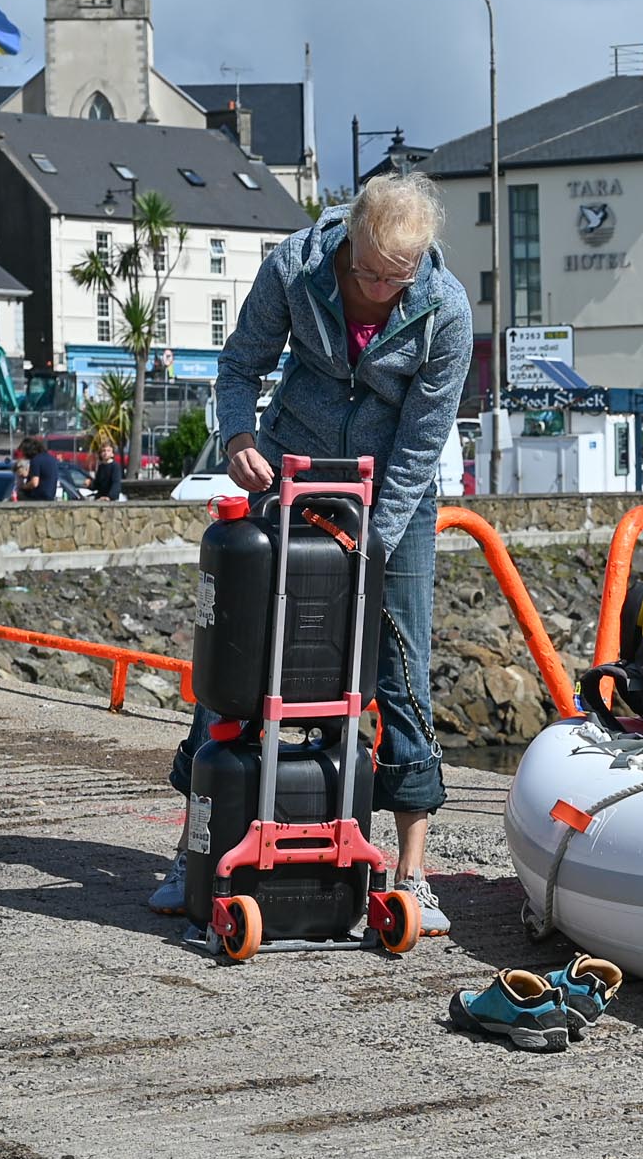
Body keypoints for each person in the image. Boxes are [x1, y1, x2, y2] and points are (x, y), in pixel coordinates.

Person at [162, 174, 472, 930]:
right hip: (287, 466)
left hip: (389, 492)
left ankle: (411, 872)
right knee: (240, 661)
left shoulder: (448, 312)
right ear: (349, 239)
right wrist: (238, 438)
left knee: (399, 663)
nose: (378, 291)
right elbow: (240, 366)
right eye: (366, 272)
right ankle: (193, 850)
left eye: (396, 280)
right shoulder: (295, 265)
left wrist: (374, 542)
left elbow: (420, 445)